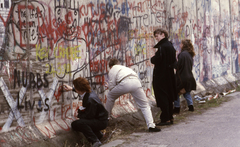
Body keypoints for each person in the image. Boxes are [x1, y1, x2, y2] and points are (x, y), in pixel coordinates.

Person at [105, 58, 161, 132]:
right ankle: (151, 125)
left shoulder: (113, 69)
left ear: (111, 66)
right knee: (144, 105)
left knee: (110, 96)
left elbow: (112, 87)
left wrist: (108, 86)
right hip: (136, 82)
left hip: (124, 83)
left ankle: (106, 118)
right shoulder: (124, 68)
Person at [63, 77, 108, 147]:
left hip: (101, 121)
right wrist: (72, 89)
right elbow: (81, 92)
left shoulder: (89, 100)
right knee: (82, 122)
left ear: (79, 89)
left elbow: (89, 116)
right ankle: (98, 135)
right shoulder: (89, 92)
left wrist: (79, 114)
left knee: (78, 124)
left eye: (75, 87)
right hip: (101, 119)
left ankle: (95, 141)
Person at [150, 28, 177, 126]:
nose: (156, 38)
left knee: (162, 96)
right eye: (155, 36)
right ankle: (169, 117)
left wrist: (152, 59)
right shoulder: (170, 45)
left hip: (161, 75)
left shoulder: (162, 47)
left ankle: (165, 118)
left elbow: (157, 59)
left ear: (163, 35)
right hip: (169, 75)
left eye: (157, 35)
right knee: (169, 96)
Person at [173, 39, 197, 114]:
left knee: (176, 93)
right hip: (189, 76)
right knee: (187, 93)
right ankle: (191, 106)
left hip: (182, 77)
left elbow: (178, 66)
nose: (179, 45)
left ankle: (177, 108)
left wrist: (173, 63)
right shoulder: (190, 54)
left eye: (181, 44)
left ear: (183, 45)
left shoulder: (182, 54)